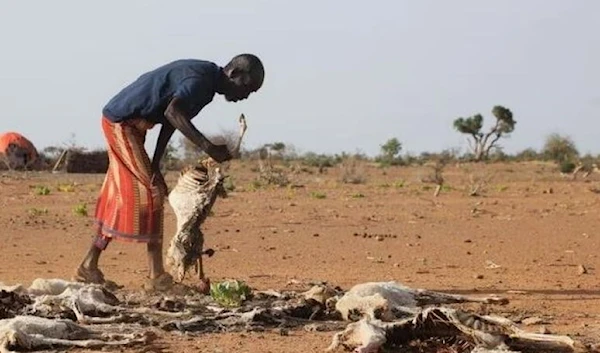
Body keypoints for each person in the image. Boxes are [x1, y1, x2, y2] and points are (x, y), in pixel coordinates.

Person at [73, 54, 265, 290]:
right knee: (153, 193)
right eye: (246, 87)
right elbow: (173, 113)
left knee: (129, 193)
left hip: (129, 126)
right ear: (234, 74)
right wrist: (208, 147)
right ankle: (157, 277)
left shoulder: (207, 85)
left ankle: (89, 265)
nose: (244, 96)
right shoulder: (201, 80)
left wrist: (155, 164)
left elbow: (171, 119)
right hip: (122, 125)